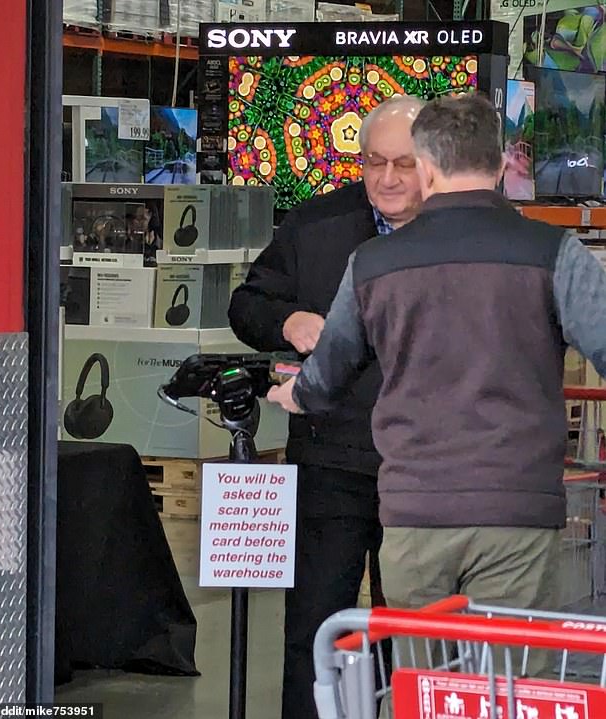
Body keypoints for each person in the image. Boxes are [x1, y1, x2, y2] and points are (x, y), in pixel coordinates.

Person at [267, 94, 606, 671]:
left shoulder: (373, 262)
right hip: (517, 510)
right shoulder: (555, 254)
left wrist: (293, 395)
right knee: (512, 687)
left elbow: (327, 372)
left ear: (425, 169)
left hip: (414, 512)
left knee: (425, 686)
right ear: (500, 164)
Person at [228, 95, 424, 719]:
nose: (387, 179)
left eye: (403, 163)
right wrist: (288, 319)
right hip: (330, 459)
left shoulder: (458, 232)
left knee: (418, 634)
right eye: (373, 162)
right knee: (315, 627)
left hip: (427, 469)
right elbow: (246, 307)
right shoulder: (314, 225)